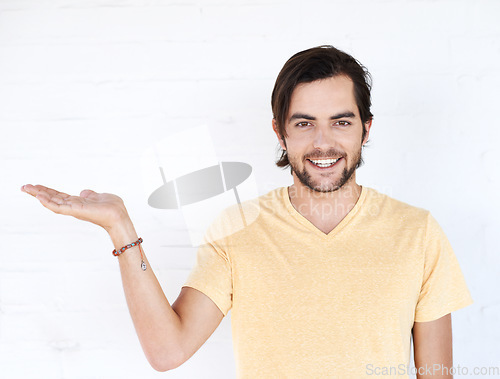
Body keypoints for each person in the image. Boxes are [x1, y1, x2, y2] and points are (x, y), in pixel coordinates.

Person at [21, 45, 473, 378]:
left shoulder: (417, 232)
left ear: (365, 129)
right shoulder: (237, 230)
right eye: (303, 123)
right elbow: (167, 351)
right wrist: (120, 227)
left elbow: (435, 374)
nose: (323, 142)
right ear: (279, 131)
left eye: (341, 121)